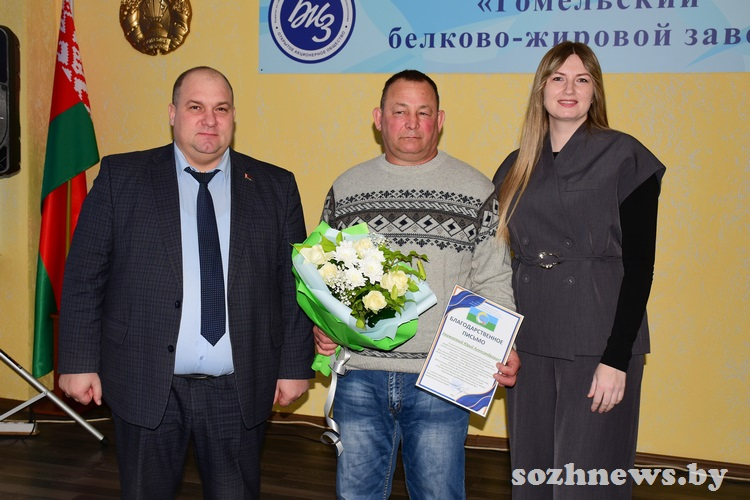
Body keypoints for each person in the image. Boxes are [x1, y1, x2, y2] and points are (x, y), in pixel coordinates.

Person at [57, 66, 314, 499]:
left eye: (221, 109)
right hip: (144, 380)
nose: (210, 120)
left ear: (234, 117)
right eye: (196, 107)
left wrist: (293, 366)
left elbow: (291, 286)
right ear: (173, 113)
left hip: (239, 387)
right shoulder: (122, 177)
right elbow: (85, 275)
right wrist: (78, 361)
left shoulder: (275, 186)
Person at [313, 69, 520, 499]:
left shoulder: (477, 189)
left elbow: (493, 275)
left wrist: (504, 344)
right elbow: (323, 277)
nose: (411, 123)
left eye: (423, 112)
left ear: (439, 121)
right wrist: (322, 325)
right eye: (400, 111)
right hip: (359, 374)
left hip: (441, 378)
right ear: (379, 118)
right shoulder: (346, 189)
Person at [493, 42, 666, 499]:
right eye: (558, 78)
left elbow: (640, 266)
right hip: (530, 340)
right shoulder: (515, 166)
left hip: (597, 339)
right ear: (541, 89)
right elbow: (497, 262)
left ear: (595, 92)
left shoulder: (625, 156)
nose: (569, 89)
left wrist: (616, 358)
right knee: (531, 478)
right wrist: (496, 341)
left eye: (582, 79)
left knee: (585, 482)